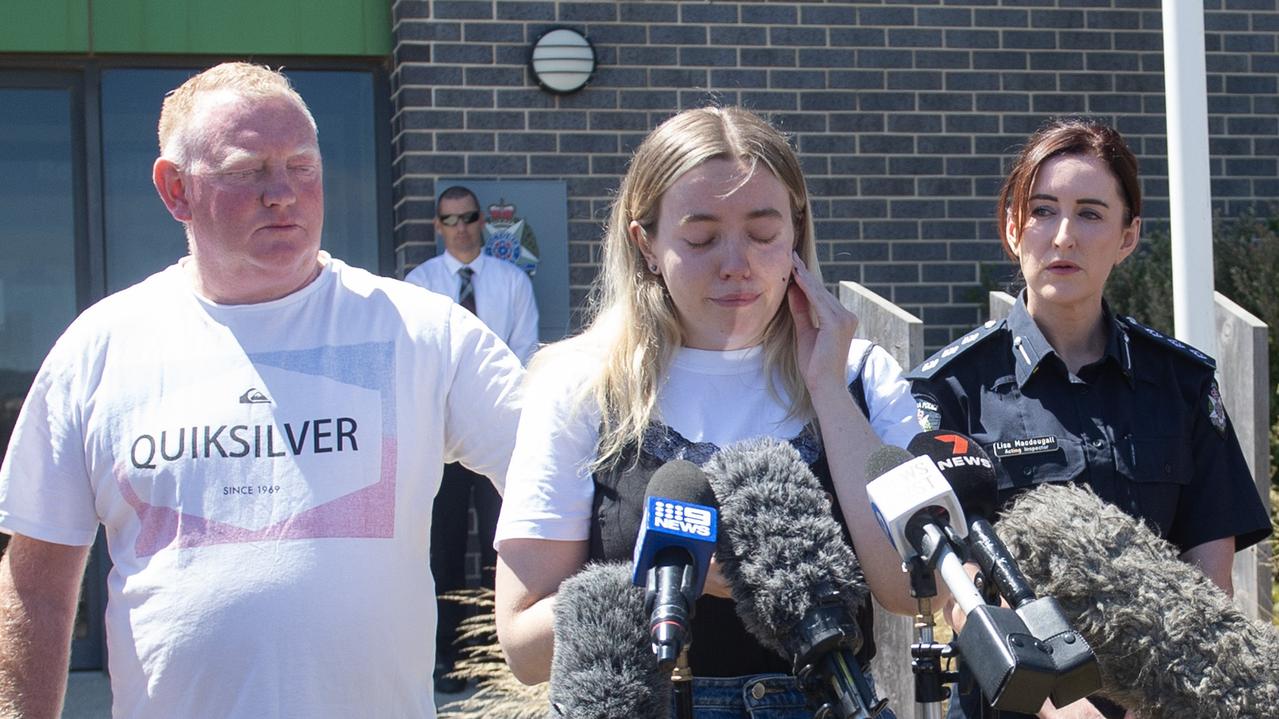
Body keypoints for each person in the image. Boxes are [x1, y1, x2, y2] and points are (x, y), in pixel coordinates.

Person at [0, 63, 524, 719]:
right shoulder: (101, 349)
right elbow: (38, 586)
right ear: (175, 189)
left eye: (301, 166)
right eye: (248, 170)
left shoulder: (420, 333)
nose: (282, 193)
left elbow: (557, 474)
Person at [493, 106, 921, 718]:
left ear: (797, 232)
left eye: (764, 233)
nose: (736, 263)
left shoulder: (861, 374)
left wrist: (825, 385)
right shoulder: (579, 386)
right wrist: (669, 579)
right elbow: (524, 648)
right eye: (700, 238)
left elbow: (908, 590)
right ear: (646, 243)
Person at [906, 118, 1271, 719]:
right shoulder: (950, 388)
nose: (1063, 237)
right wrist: (1058, 704)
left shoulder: (1180, 383)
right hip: (1014, 705)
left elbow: (1210, 569)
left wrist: (1163, 701)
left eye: (1091, 214)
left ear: (1128, 237)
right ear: (1010, 227)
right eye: (1042, 210)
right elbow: (957, 583)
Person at [404, 185, 539, 693]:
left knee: (499, 546)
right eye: (449, 219)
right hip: (436, 440)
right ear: (437, 226)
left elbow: (525, 352)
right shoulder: (419, 284)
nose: (460, 227)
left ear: (482, 220)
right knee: (441, 550)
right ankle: (449, 660)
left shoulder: (511, 282)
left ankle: (498, 657)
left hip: (501, 435)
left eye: (468, 217)